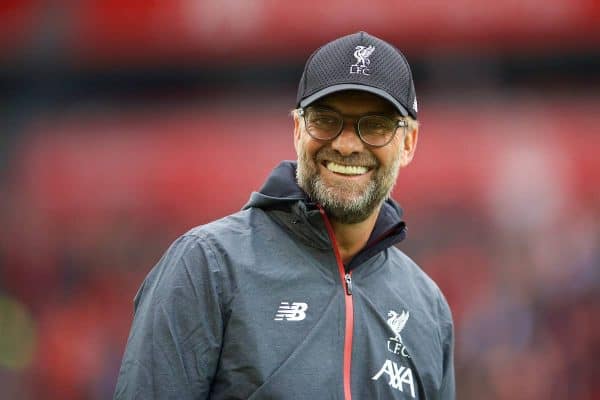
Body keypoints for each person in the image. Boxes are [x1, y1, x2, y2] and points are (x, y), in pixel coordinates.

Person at [114, 31, 455, 400]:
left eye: (374, 125)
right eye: (326, 120)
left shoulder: (428, 309)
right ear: (297, 130)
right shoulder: (206, 267)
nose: (345, 144)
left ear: (407, 143)